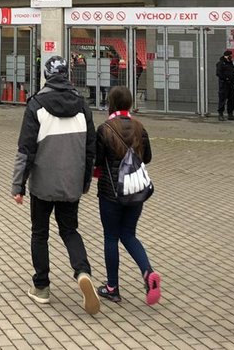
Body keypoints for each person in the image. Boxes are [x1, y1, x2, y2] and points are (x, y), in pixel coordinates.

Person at [11, 55, 100, 316]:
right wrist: (83, 182)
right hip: (71, 182)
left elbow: (25, 150)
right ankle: (82, 272)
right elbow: (90, 149)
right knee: (70, 230)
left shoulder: (36, 104)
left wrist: (18, 186)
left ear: (47, 75)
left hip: (42, 184)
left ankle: (41, 287)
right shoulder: (83, 106)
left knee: (40, 233)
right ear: (68, 74)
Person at [93, 86, 160, 306]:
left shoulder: (104, 129)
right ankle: (147, 271)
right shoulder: (140, 127)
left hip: (111, 193)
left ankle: (112, 287)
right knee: (129, 234)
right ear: (130, 103)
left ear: (110, 103)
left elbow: (97, 161)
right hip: (135, 191)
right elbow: (147, 157)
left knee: (111, 237)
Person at [215, 49, 234, 121]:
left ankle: (230, 114)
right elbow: (218, 73)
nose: (231, 57)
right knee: (222, 99)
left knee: (231, 99)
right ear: (227, 56)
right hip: (223, 84)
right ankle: (220, 114)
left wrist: (233, 80)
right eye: (230, 55)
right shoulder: (221, 63)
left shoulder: (230, 63)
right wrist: (226, 79)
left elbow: (232, 73)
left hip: (230, 84)